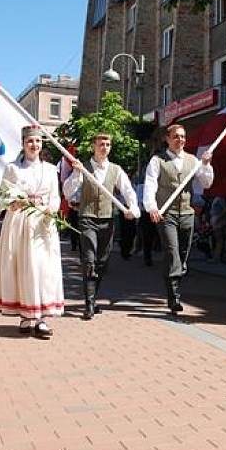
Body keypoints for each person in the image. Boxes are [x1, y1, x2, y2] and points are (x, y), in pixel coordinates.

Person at [0, 125, 64, 339]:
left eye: (38, 141)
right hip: (20, 222)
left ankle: (40, 318)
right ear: (23, 144)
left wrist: (52, 209)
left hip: (42, 223)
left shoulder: (50, 169)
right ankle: (25, 314)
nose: (34, 145)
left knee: (42, 268)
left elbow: (55, 196)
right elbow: (3, 195)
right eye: (30, 141)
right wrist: (12, 202)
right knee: (22, 266)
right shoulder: (12, 168)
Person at [63, 132, 140, 320]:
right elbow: (68, 191)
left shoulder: (116, 169)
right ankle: (89, 305)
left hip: (107, 218)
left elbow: (128, 190)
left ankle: (93, 298)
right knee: (89, 259)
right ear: (93, 146)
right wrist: (77, 173)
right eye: (100, 144)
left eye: (107, 144)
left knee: (102, 262)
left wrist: (133, 208)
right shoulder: (83, 167)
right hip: (87, 217)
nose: (104, 147)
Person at [143, 123, 213, 314]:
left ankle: (174, 278)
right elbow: (150, 185)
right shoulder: (157, 161)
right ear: (167, 139)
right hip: (167, 214)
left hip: (187, 212)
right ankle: (174, 296)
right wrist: (152, 207)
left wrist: (206, 165)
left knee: (182, 254)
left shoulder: (192, 160)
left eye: (182, 136)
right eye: (176, 136)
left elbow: (206, 183)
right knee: (172, 251)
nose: (180, 140)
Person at [209, 194, 226, 264]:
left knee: (219, 240)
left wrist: (218, 218)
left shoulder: (220, 198)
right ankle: (217, 256)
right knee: (219, 240)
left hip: (218, 220)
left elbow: (225, 209)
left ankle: (217, 257)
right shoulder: (221, 198)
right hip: (218, 219)